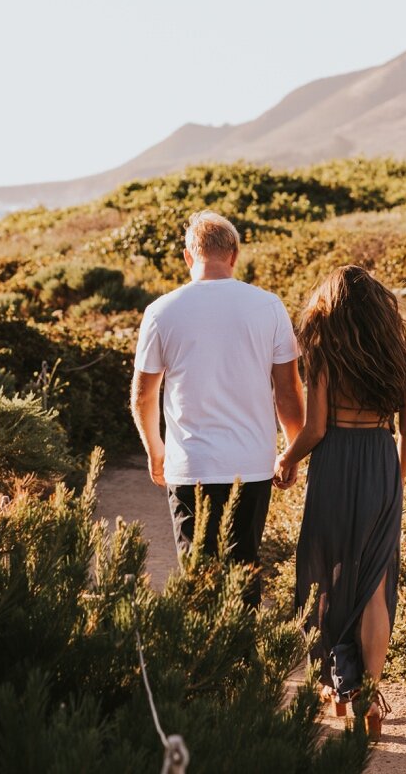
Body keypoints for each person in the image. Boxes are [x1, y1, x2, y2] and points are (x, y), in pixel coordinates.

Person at [273, 265, 406, 743]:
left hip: (335, 463)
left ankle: (338, 683)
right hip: (381, 461)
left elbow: (314, 430)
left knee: (328, 577)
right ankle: (369, 695)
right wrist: (391, 484)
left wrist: (286, 458)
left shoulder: (324, 357)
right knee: (374, 584)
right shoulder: (404, 360)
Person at [130, 210, 303, 605]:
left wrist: (155, 450)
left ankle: (204, 665)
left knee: (198, 580)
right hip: (252, 465)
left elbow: (143, 394)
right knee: (244, 575)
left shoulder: (160, 311)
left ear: (188, 257)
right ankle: (243, 663)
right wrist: (293, 450)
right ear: (235, 254)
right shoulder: (268, 306)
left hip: (190, 466)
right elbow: (289, 390)